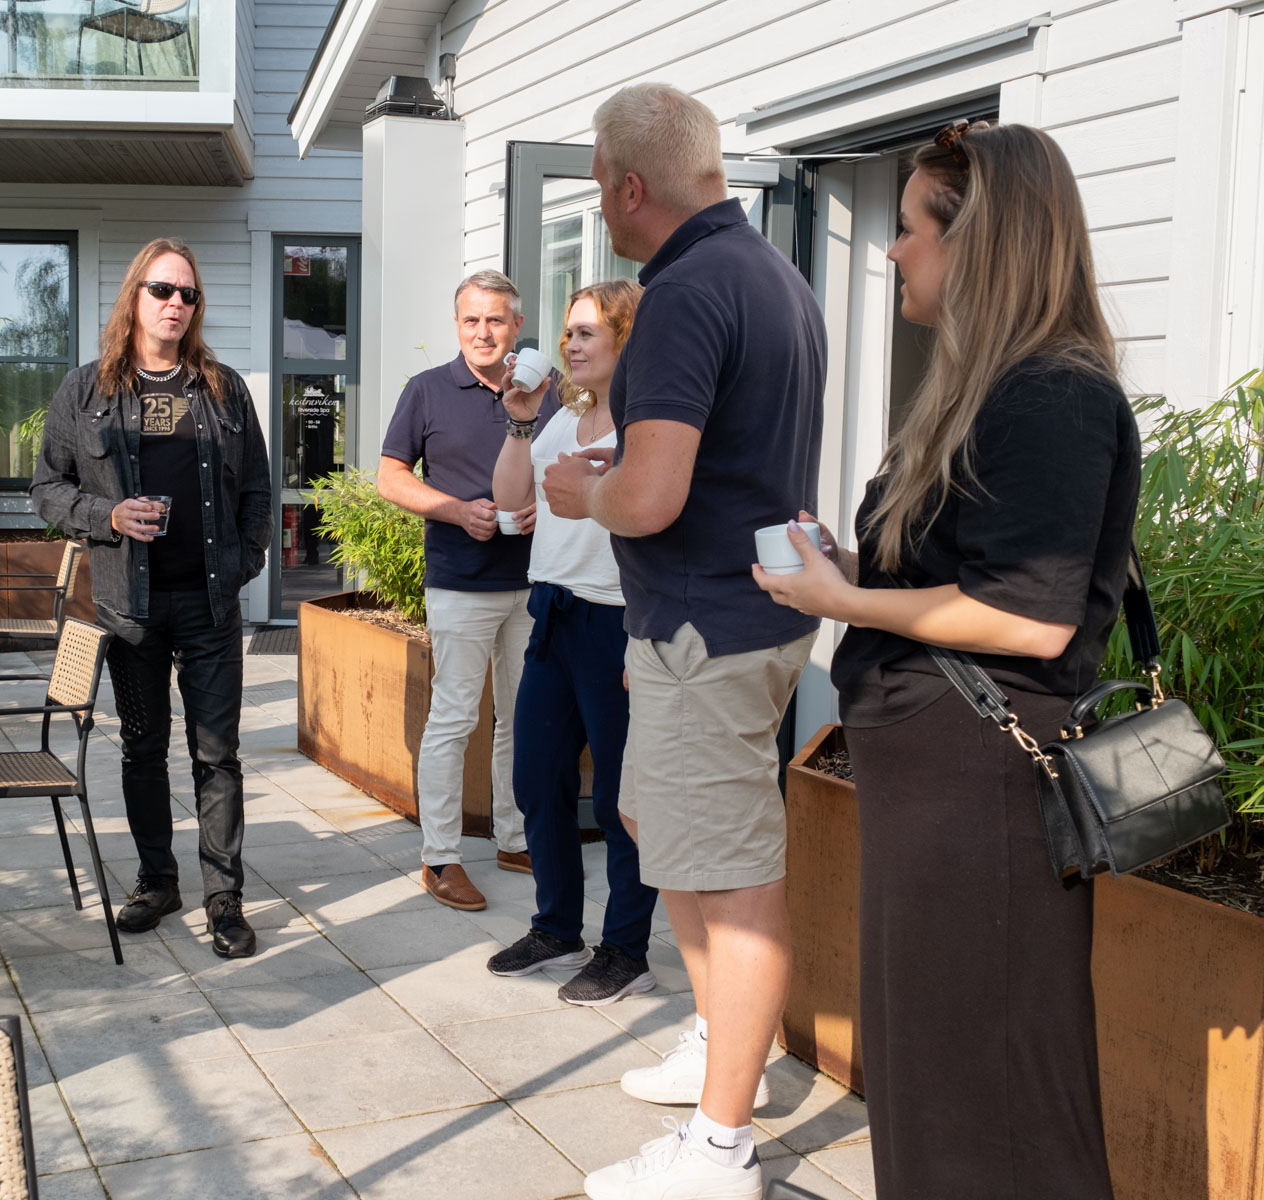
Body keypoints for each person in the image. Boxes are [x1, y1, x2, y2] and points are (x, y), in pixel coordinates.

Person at [755, 121, 1134, 1200]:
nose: (893, 249)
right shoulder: (987, 388)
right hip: (938, 800)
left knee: (992, 1101)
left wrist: (846, 598)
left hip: (986, 808)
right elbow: (955, 573)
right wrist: (847, 571)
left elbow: (1032, 617)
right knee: (938, 1082)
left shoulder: (1052, 394)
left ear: (980, 240)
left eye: (912, 226)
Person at [544, 84, 826, 1200]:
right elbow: (716, 465)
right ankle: (723, 1055)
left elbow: (652, 497)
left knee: (732, 873)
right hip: (728, 616)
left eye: (598, 188)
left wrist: (579, 493)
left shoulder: (681, 291)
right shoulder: (773, 275)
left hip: (711, 622)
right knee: (663, 823)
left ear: (626, 186)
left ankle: (720, 1151)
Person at [30, 237, 272, 959]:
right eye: (162, 290)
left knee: (217, 754)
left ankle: (224, 898)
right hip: (128, 607)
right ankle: (158, 882)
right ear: (134, 296)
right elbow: (46, 488)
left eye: (187, 294)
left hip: (207, 605)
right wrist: (106, 516)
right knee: (142, 748)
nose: (175, 304)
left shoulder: (223, 388)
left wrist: (244, 562)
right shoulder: (87, 390)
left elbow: (257, 487)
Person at [486, 279, 659, 1006]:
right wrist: (521, 422)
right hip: (552, 611)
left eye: (588, 332)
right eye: (569, 332)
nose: (571, 345)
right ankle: (557, 926)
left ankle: (626, 950)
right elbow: (507, 498)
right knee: (536, 777)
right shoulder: (562, 418)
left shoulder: (649, 431)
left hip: (615, 621)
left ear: (626, 338)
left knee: (622, 799)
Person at [378, 270, 559, 910]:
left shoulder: (549, 392)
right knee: (454, 718)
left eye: (495, 320)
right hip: (461, 581)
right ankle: (441, 858)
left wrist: (550, 506)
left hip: (537, 581)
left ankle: (514, 838)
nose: (482, 332)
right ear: (458, 326)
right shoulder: (428, 390)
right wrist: (455, 510)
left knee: (520, 718)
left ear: (517, 327)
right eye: (470, 321)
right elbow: (390, 478)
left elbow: (574, 465)